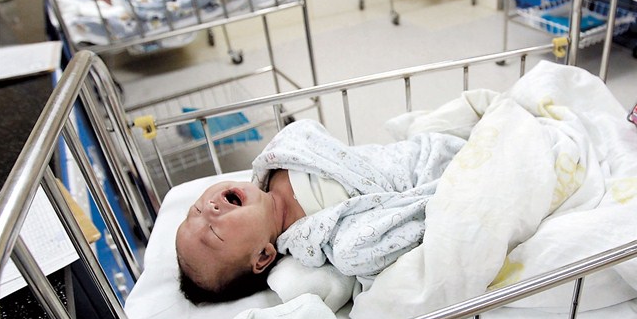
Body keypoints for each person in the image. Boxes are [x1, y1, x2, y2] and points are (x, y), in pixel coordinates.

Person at [175, 119, 465, 304]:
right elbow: (374, 235)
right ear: (263, 256)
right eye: (213, 232)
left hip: (423, 150)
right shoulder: (312, 235)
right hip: (433, 177)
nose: (210, 209)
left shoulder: (278, 158)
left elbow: (306, 130)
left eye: (196, 210)